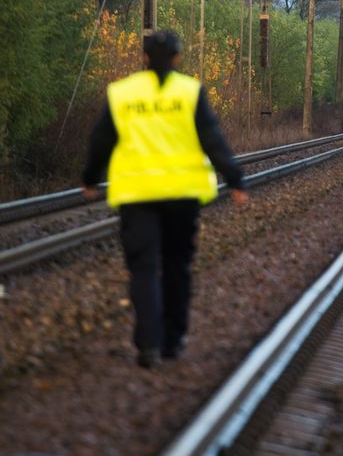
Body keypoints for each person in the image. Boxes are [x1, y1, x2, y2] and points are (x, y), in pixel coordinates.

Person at [81, 30, 248, 368]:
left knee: (143, 268)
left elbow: (101, 140)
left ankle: (148, 344)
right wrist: (234, 179)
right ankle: (174, 340)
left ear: (143, 57)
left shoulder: (122, 93)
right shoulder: (189, 92)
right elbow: (211, 139)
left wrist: (90, 179)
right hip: (181, 196)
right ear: (177, 57)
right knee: (176, 266)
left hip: (137, 195)